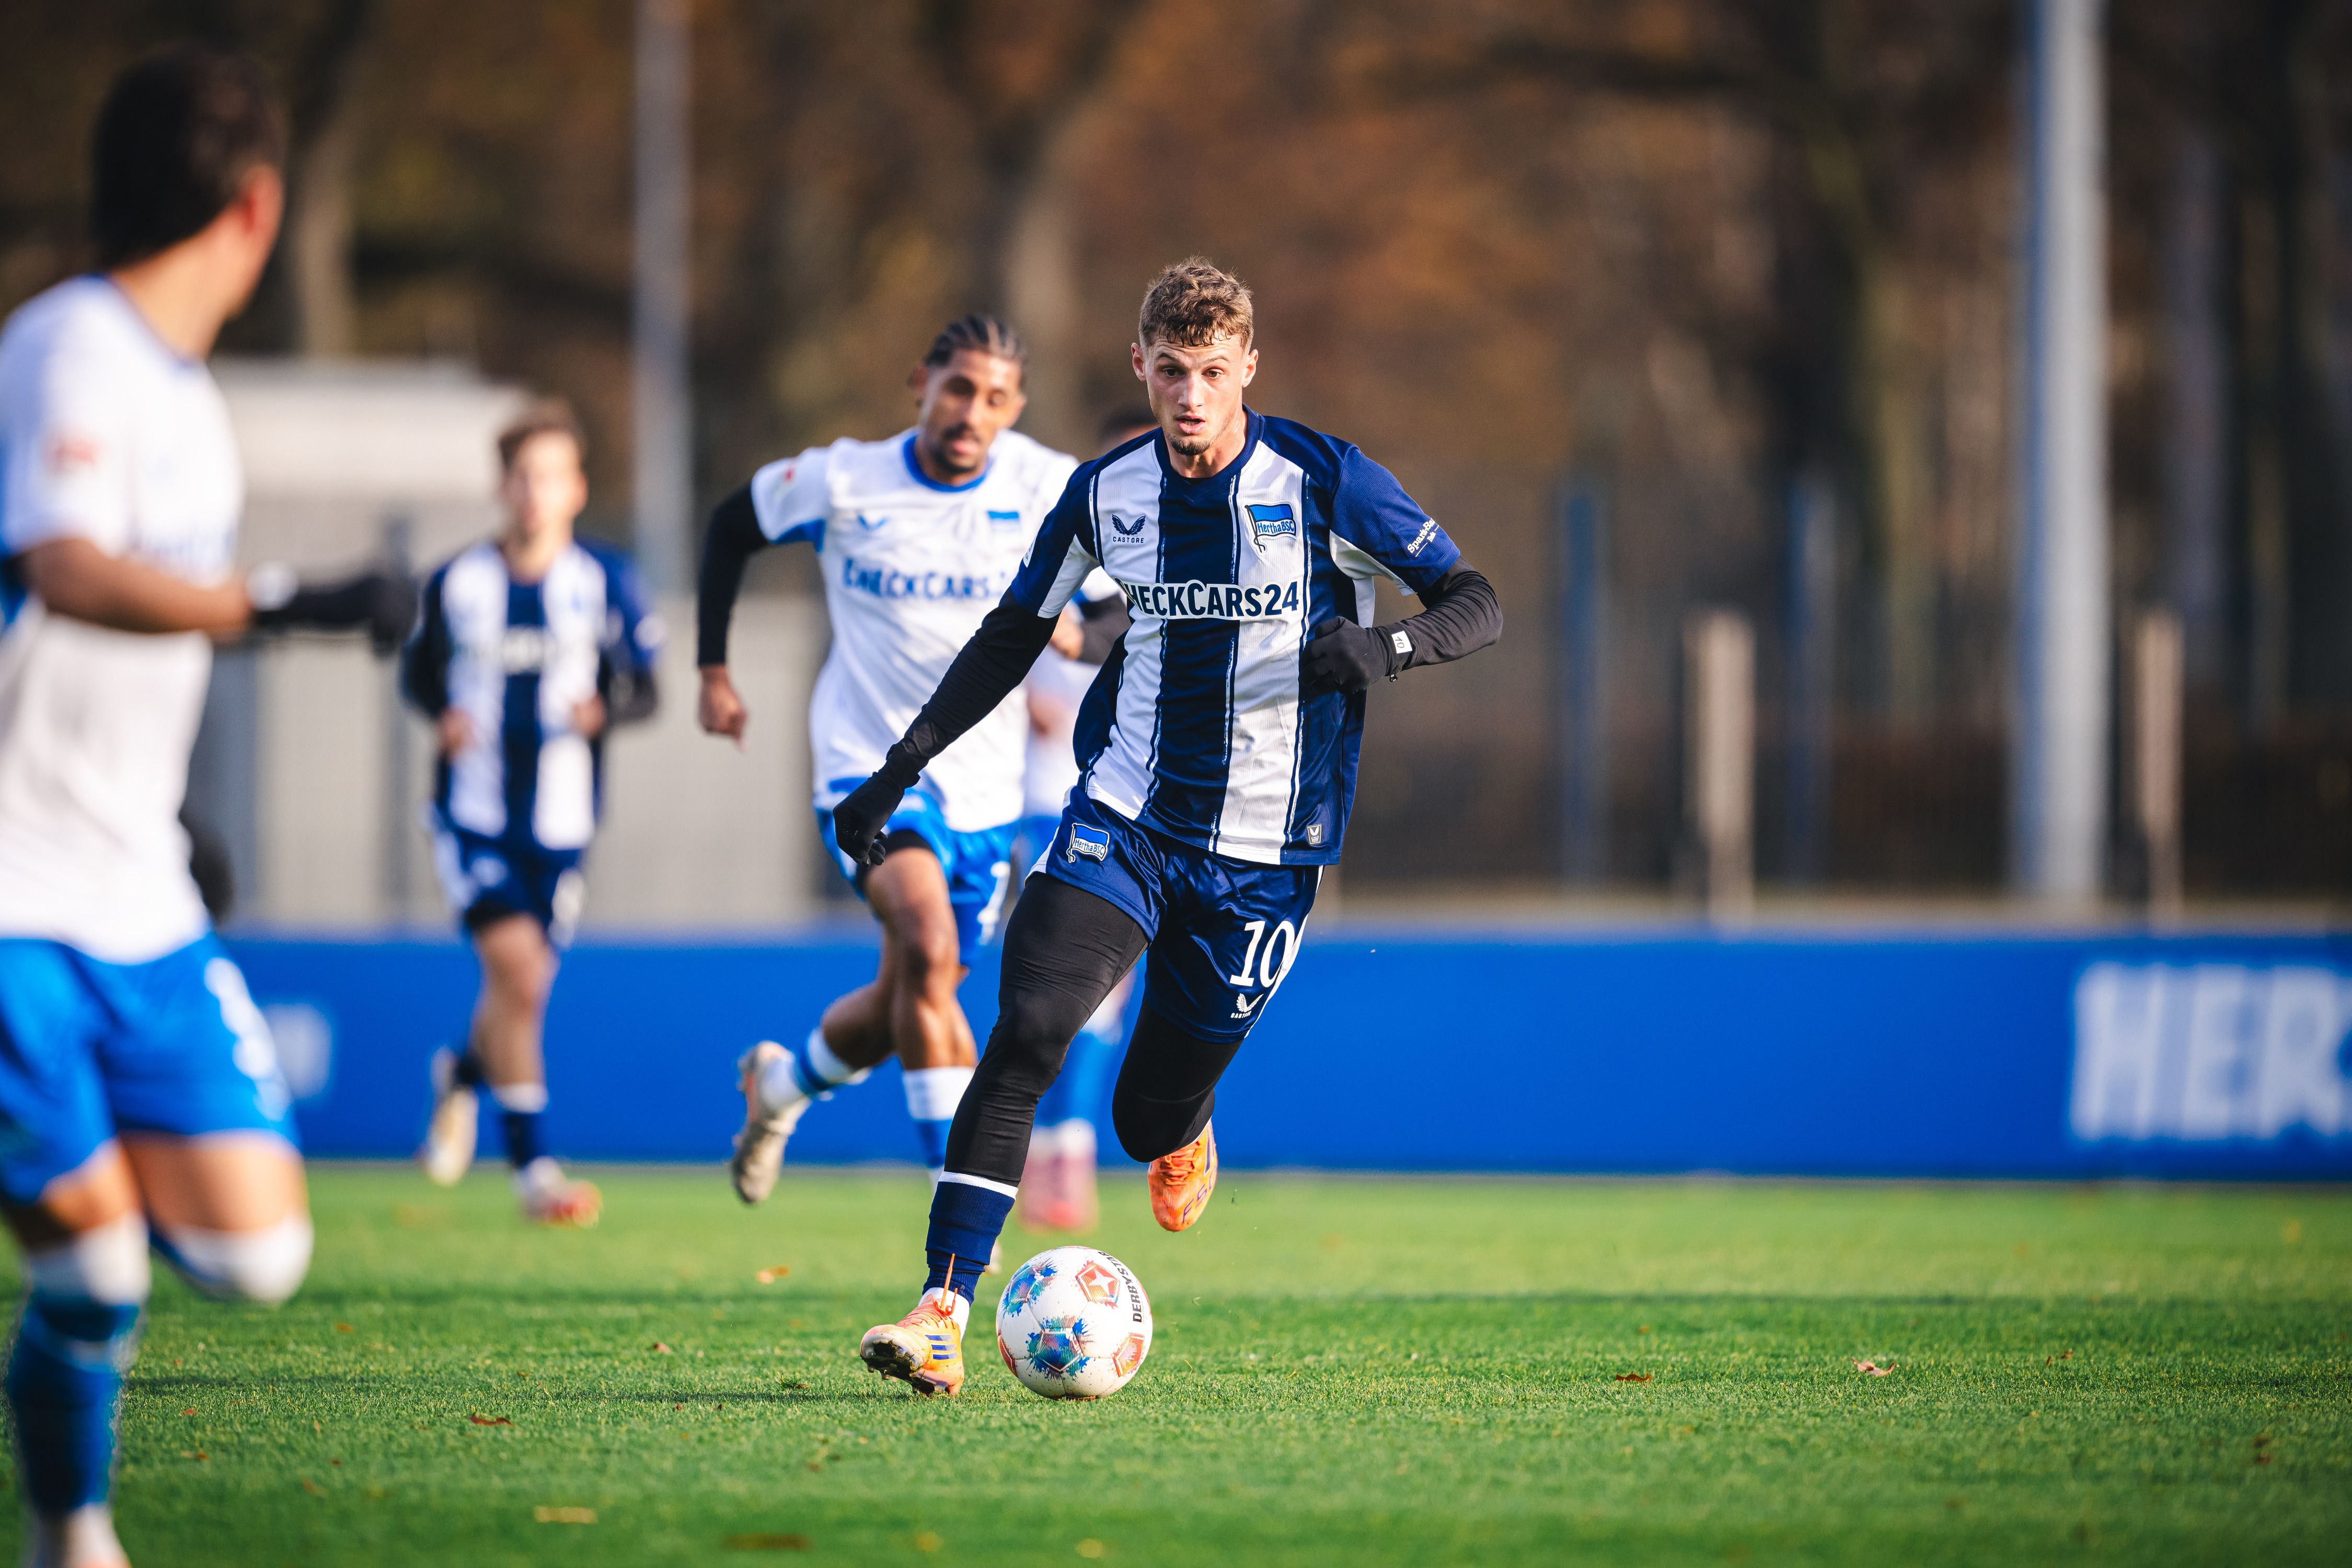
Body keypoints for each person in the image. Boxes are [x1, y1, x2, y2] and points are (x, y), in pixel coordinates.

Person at [845, 259, 1502, 1396]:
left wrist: (1388, 648)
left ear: (1248, 367)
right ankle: (942, 1308)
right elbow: (1013, 634)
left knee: (1146, 1118)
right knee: (1031, 1029)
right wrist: (899, 768)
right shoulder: (1106, 493)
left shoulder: (1326, 480)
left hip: (1267, 857)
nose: (1190, 395)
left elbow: (1476, 601)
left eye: (1211, 371)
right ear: (1140, 368)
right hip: (1126, 817)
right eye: (1170, 371)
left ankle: (1184, 1126)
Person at [0, 48, 414, 1567]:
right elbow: (64, 565)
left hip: (133, 884)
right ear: (256, 206)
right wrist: (283, 603)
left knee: (257, 1253)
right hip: (13, 897)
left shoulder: (183, 397)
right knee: (98, 1272)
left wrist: (159, 810)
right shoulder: (71, 345)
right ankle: (74, 1535)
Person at [699, 316, 1108, 1202]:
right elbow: (731, 526)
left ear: (1016, 408)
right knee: (927, 947)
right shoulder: (845, 479)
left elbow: (1120, 604)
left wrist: (1082, 633)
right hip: (868, 767)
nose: (972, 412)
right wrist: (713, 671)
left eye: (994, 398)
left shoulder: (1048, 486)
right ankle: (955, 1212)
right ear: (921, 383)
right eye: (958, 388)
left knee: (908, 999)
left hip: (987, 793)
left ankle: (779, 1088)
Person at [406, 399, 660, 1228]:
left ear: (577, 488)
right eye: (521, 476)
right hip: (474, 817)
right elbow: (418, 676)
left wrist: (604, 713)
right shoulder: (457, 582)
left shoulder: (604, 581)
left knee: (521, 989)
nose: (534, 493)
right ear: (501, 486)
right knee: (520, 978)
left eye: (550, 476)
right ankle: (534, 1175)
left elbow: (647, 689)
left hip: (563, 825)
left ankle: (461, 1075)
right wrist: (441, 716)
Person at [1012, 409, 1153, 1233]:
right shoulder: (1062, 552)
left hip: (1139, 807)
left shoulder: (1185, 570)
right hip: (1045, 801)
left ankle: (1061, 1153)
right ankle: (1050, 1154)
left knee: (1104, 997)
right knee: (1064, 989)